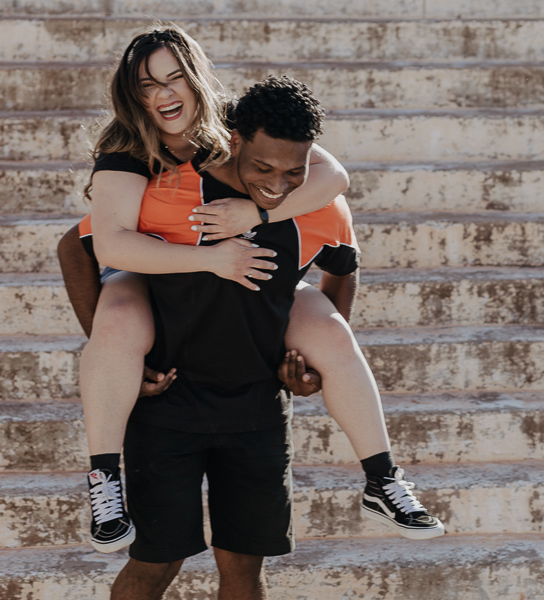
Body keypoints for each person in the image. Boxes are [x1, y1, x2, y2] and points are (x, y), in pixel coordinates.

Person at [55, 26, 443, 560]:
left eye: (175, 79)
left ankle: (381, 478)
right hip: (154, 278)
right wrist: (211, 259)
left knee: (327, 326)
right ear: (132, 94)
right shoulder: (127, 152)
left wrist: (257, 212)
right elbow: (101, 246)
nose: (165, 95)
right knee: (118, 311)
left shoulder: (239, 127)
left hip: (246, 320)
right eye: (149, 85)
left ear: (197, 80)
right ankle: (103, 479)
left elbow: (332, 177)